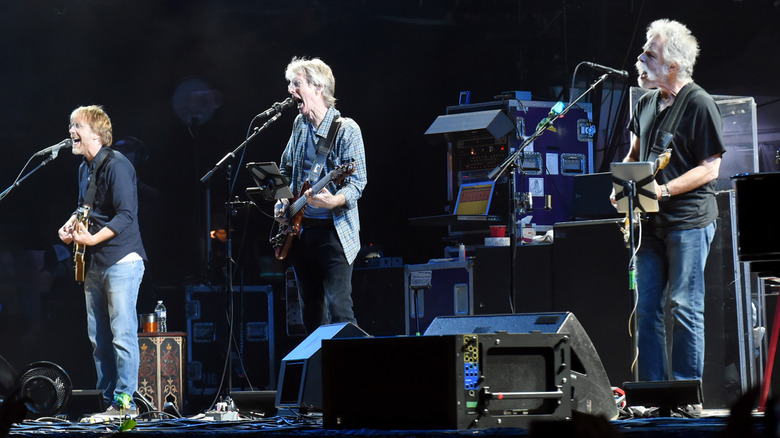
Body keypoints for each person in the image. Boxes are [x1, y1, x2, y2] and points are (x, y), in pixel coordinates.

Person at [622, 19, 726, 392]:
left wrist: (663, 192)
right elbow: (633, 154)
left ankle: (684, 394)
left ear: (672, 66)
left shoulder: (699, 102)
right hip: (649, 224)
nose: (641, 58)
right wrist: (622, 186)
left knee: (683, 306)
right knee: (647, 309)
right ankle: (652, 394)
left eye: (650, 53)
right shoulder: (646, 102)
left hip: (689, 221)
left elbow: (711, 168)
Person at [57, 105, 147, 418]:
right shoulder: (85, 168)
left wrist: (93, 239)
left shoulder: (117, 165)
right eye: (70, 125)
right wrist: (70, 224)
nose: (70, 132)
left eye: (76, 126)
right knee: (100, 340)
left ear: (96, 132)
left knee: (122, 333)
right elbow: (85, 208)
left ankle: (125, 404)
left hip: (122, 260)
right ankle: (109, 402)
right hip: (93, 263)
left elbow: (126, 215)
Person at [274, 57, 367, 334]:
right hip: (300, 233)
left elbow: (357, 183)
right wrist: (282, 200)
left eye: (296, 84)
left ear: (318, 87)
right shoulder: (299, 125)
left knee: (340, 309)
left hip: (334, 234)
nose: (291, 90)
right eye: (290, 84)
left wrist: (334, 200)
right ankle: (319, 375)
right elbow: (285, 167)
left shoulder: (347, 130)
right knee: (311, 314)